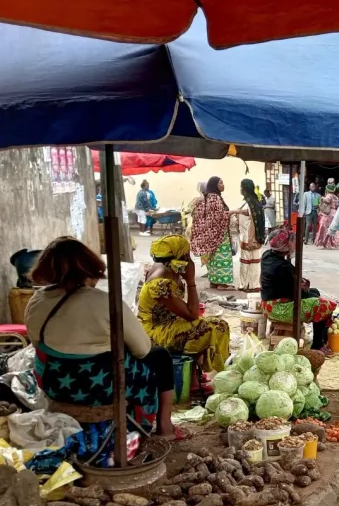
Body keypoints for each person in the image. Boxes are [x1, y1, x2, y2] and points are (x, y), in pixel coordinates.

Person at [25, 237, 182, 439]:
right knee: (160, 356)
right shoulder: (106, 302)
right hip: (105, 388)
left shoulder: (36, 301)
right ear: (90, 269)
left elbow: (37, 344)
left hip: (57, 386)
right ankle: (165, 428)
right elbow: (142, 349)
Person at [139, 236, 231, 375]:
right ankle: (192, 374)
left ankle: (219, 370)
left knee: (221, 325)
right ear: (181, 255)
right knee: (204, 329)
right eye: (186, 254)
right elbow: (192, 314)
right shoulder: (160, 283)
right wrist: (190, 281)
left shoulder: (166, 265)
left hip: (170, 323)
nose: (188, 258)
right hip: (154, 331)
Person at [260, 229, 337, 353]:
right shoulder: (283, 268)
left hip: (268, 303)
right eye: (291, 241)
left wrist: (301, 284)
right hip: (278, 308)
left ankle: (321, 338)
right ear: (285, 245)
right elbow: (298, 294)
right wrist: (302, 285)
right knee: (323, 305)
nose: (294, 244)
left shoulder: (268, 255)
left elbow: (290, 287)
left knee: (315, 292)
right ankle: (318, 345)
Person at [190, 176, 236, 290]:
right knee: (223, 257)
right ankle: (222, 283)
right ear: (215, 185)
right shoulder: (215, 198)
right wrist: (236, 211)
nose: (223, 185)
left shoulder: (208, 197)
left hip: (212, 235)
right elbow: (220, 216)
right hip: (219, 234)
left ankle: (214, 282)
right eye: (220, 183)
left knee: (213, 258)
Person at [236, 179, 266, 291]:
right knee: (254, 261)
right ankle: (253, 285)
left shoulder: (249, 203)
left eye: (241, 187)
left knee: (246, 261)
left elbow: (254, 222)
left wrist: (250, 239)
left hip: (249, 236)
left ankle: (245, 284)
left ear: (244, 189)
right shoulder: (255, 202)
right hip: (254, 236)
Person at [315, 179, 339, 250]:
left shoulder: (329, 195)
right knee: (333, 229)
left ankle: (325, 242)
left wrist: (322, 198)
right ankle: (332, 242)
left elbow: (327, 200)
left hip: (328, 214)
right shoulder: (336, 197)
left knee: (323, 227)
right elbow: (337, 204)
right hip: (334, 213)